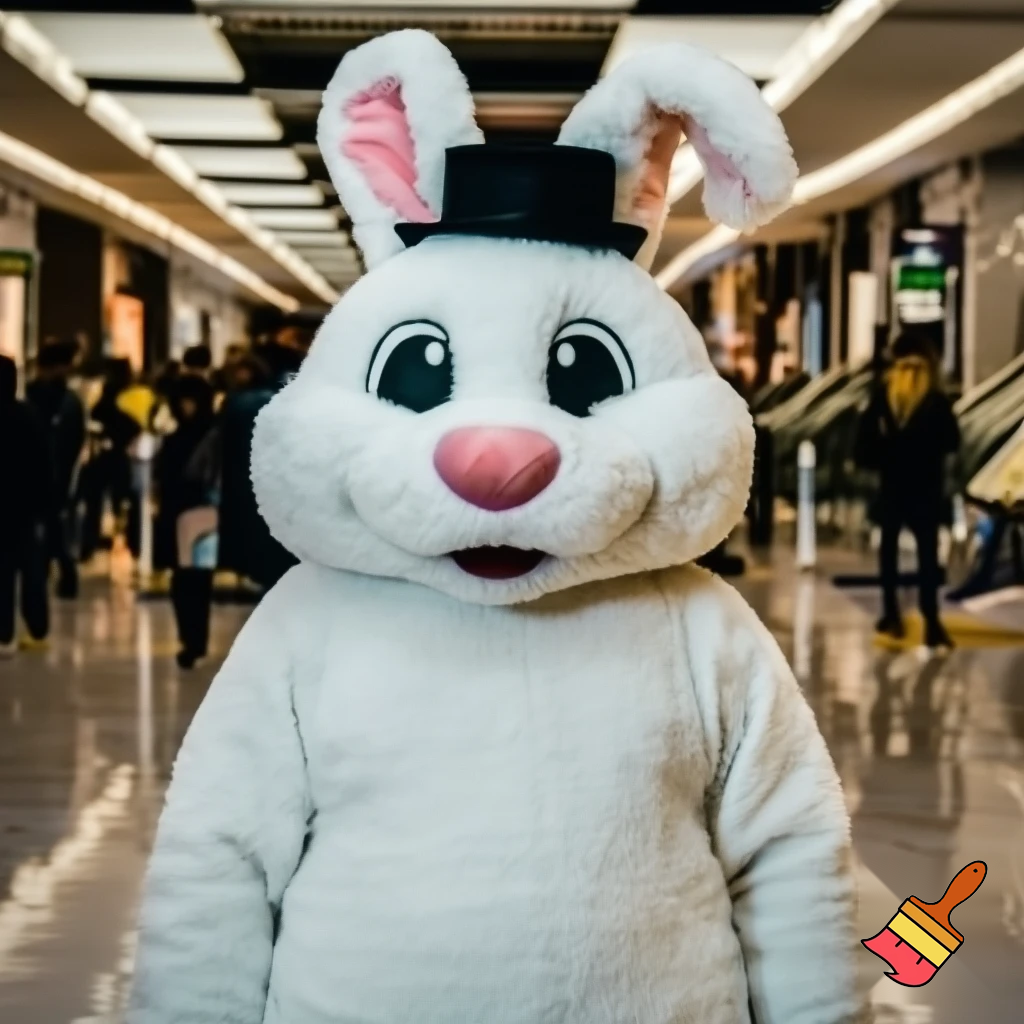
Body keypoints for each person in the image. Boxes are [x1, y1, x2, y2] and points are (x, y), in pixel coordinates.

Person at [855, 332, 960, 648]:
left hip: (893, 489)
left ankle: (892, 615)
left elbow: (864, 449)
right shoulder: (936, 401)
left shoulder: (884, 398)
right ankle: (931, 621)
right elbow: (952, 442)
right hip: (926, 490)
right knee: (927, 557)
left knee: (889, 554)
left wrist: (888, 452)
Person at [155, 374, 217, 668]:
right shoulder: (199, 436)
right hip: (184, 514)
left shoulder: (200, 438)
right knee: (188, 579)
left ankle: (193, 641)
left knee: (192, 579)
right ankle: (191, 640)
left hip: (194, 514)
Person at [26, 340, 86, 598]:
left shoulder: (35, 396)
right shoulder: (70, 400)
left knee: (46, 531)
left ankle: (46, 579)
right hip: (59, 475)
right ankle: (63, 579)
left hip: (40, 475)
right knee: (57, 530)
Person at [0, 355, 52, 655]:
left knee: (2, 572)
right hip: (26, 508)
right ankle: (37, 629)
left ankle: (3, 632)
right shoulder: (29, 417)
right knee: (32, 570)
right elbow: (44, 464)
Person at [79, 358, 141, 561]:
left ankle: (90, 543)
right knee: (127, 499)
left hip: (104, 454)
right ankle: (133, 543)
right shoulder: (130, 395)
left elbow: (96, 417)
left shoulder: (105, 394)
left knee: (95, 501)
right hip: (121, 454)